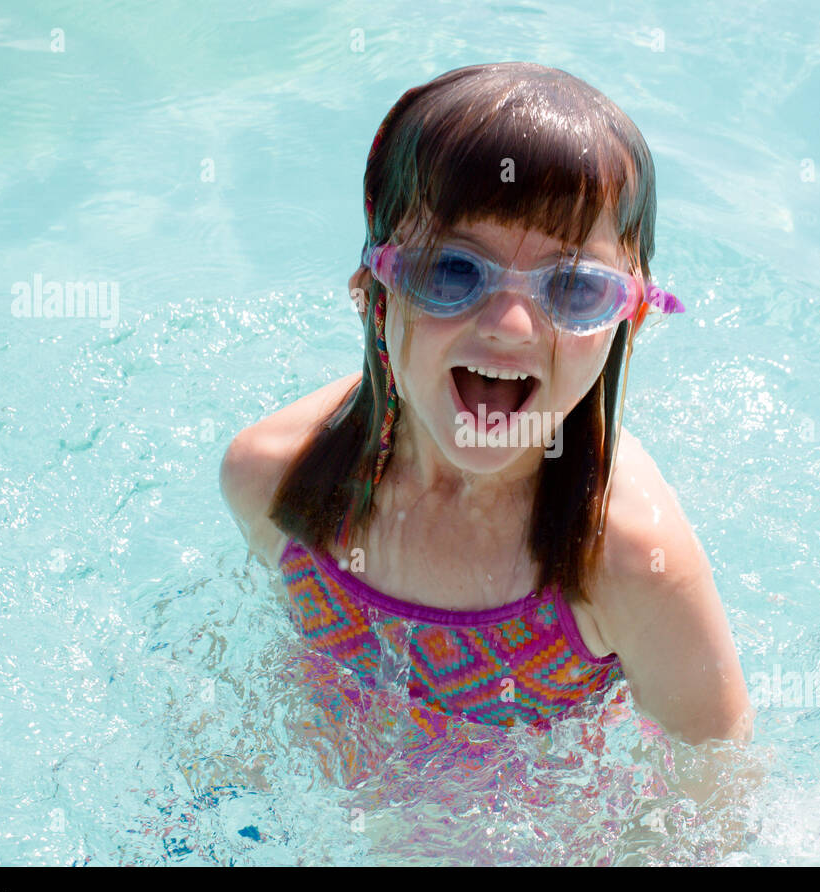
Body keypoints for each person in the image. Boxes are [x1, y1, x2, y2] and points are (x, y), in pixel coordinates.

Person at [222, 62, 753, 755]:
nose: (509, 324)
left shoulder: (627, 562)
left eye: (572, 288)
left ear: (631, 318)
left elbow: (714, 793)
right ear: (371, 291)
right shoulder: (274, 482)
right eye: (450, 273)